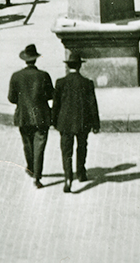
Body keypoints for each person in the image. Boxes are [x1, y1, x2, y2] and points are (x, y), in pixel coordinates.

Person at [7, 44, 54, 188]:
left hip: (23, 116)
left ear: (25, 59)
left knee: (27, 144)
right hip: (41, 116)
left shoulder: (16, 76)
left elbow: (11, 98)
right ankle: (37, 177)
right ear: (36, 59)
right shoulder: (43, 76)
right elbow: (51, 95)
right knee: (39, 146)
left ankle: (31, 168)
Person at [52, 52, 100, 193]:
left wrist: (54, 121)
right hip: (82, 122)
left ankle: (68, 178)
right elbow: (93, 105)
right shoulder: (87, 83)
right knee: (82, 146)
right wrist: (96, 124)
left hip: (65, 123)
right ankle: (81, 172)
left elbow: (56, 105)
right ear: (80, 66)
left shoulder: (60, 82)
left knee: (66, 151)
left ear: (68, 66)